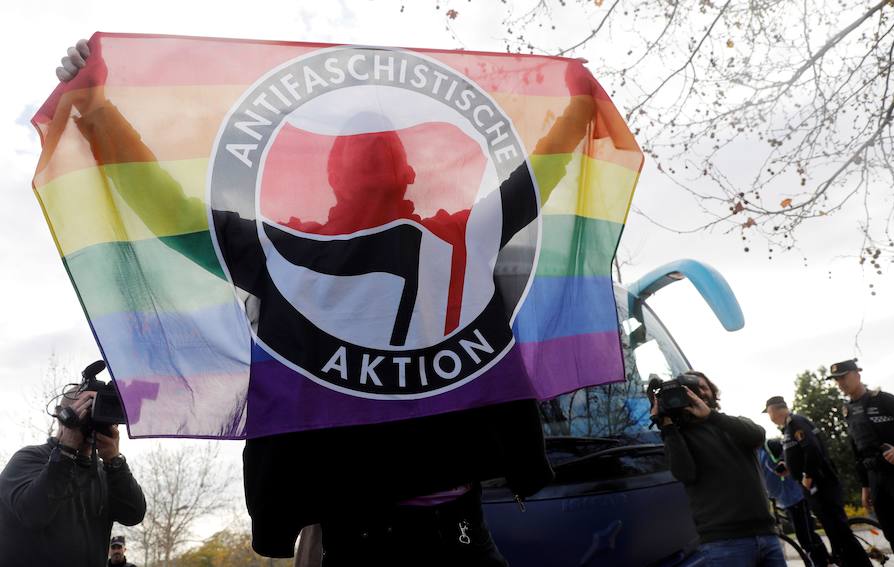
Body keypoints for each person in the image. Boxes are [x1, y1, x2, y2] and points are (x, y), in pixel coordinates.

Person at [55, 39, 597, 566]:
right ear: (409, 174)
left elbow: (170, 211)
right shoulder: (462, 235)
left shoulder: (282, 252)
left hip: (363, 530)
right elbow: (535, 175)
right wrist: (578, 109)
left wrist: (99, 114)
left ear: (331, 178)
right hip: (455, 526)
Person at [652, 370, 786, 567]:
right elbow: (684, 473)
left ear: (713, 393)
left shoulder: (733, 424)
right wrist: (668, 427)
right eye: (690, 389)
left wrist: (711, 416)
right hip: (724, 542)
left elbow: (757, 436)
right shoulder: (681, 437)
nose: (698, 393)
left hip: (766, 534)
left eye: (703, 388)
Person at [0, 388, 147, 567]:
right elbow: (33, 514)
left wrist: (114, 461)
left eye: (98, 415)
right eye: (86, 413)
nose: (92, 422)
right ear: (62, 417)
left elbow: (134, 515)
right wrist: (66, 450)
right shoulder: (28, 459)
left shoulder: (105, 473)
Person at [764, 395, 871, 566]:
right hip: (813, 488)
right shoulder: (787, 430)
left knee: (840, 532)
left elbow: (812, 449)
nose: (769, 418)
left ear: (774, 410)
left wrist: (808, 475)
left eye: (768, 413)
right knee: (834, 533)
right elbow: (796, 453)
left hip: (822, 484)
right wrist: (787, 466)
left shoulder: (796, 422)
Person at [830, 359, 894, 557]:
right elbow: (857, 451)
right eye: (837, 380)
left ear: (858, 374)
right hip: (875, 477)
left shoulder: (883, 399)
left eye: (844, 377)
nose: (841, 383)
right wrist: (865, 486)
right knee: (892, 532)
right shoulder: (848, 410)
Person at [757, 438, 830, 567]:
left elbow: (791, 454)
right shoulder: (751, 455)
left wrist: (783, 462)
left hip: (795, 496)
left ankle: (822, 562)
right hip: (784, 500)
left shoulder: (769, 446)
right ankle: (826, 559)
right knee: (807, 535)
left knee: (805, 538)